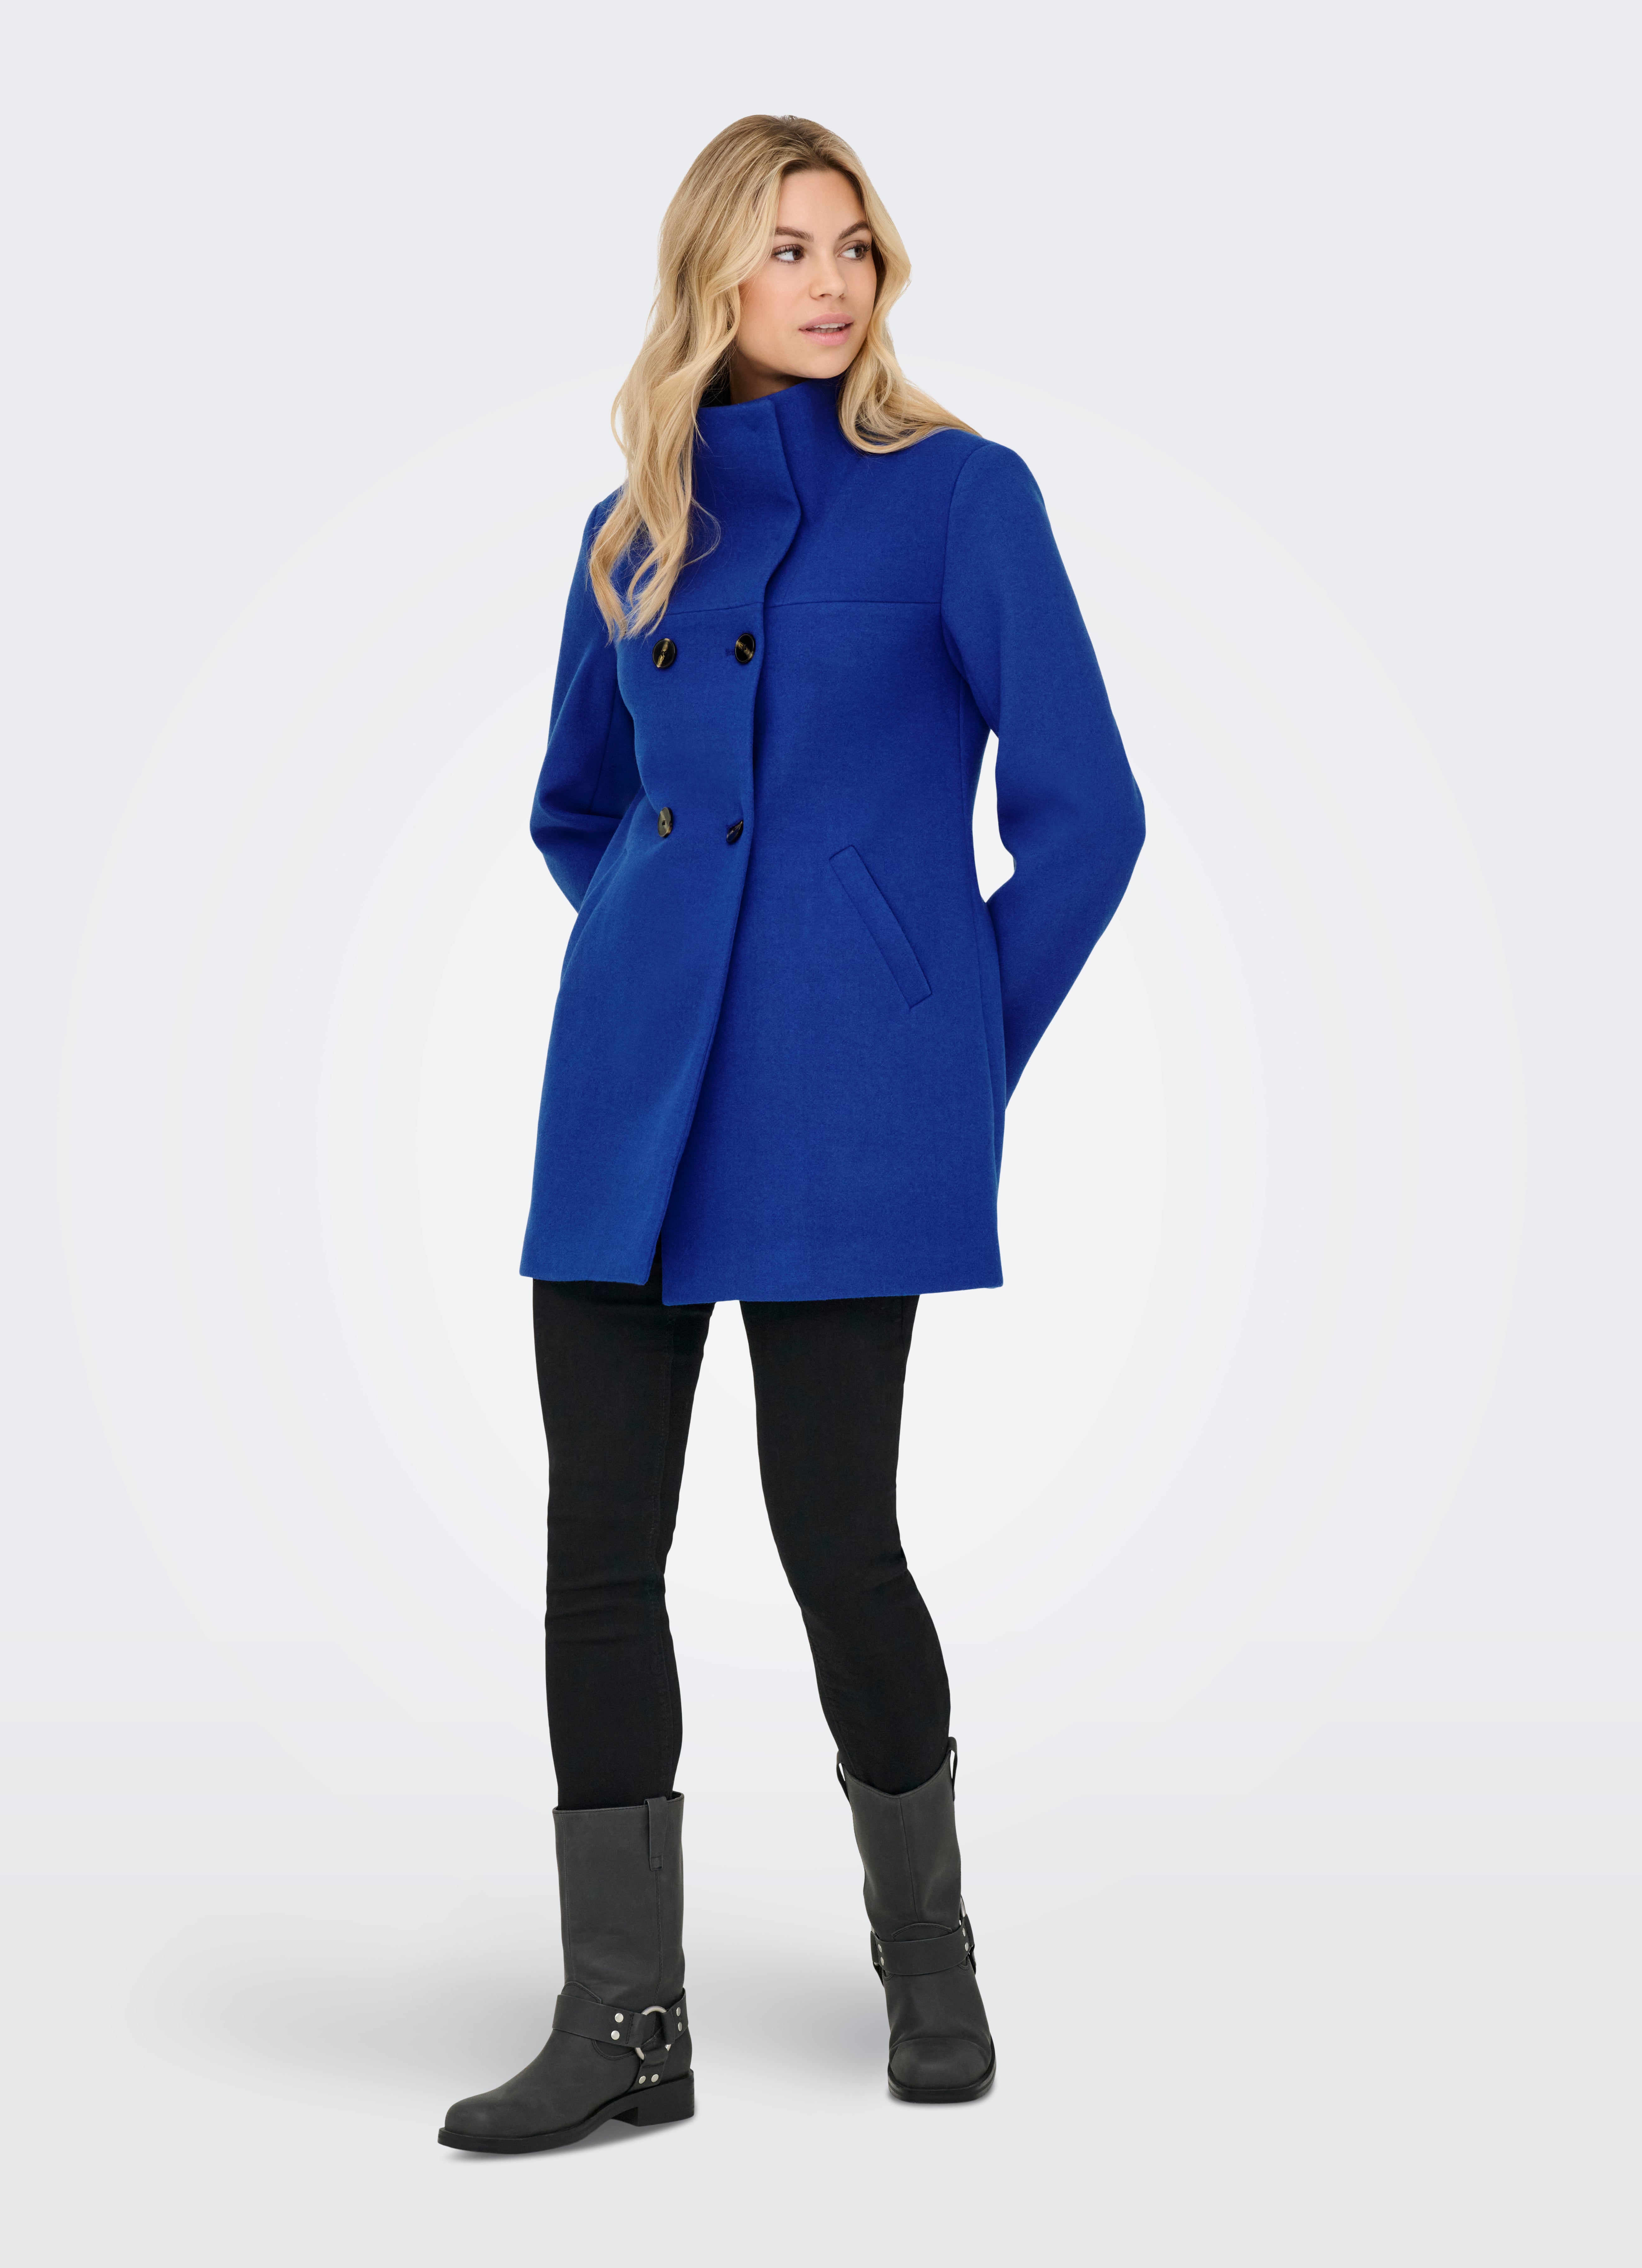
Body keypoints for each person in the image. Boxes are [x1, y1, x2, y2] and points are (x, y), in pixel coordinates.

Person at [438, 114, 1145, 2154]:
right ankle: (624, 2026)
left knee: (839, 1541)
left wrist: (947, 1038)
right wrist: (660, 961)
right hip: (623, 1106)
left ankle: (930, 1955)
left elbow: (1089, 816)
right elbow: (582, 807)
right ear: (712, 279)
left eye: (854, 246)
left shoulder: (963, 497)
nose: (831, 283)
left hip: (849, 1109)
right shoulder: (630, 528)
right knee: (597, 1554)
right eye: (787, 248)